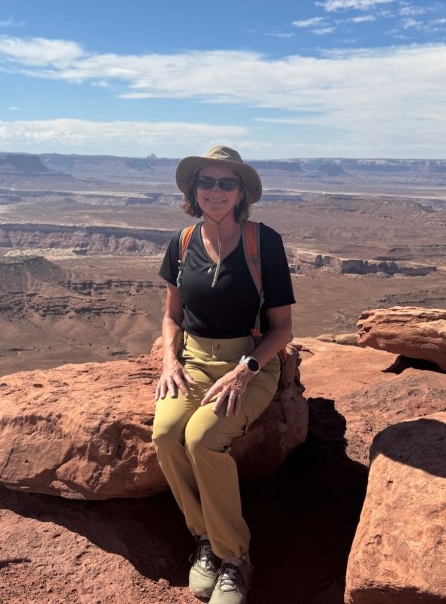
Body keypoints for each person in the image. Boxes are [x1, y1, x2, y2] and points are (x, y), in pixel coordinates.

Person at [152, 145, 295, 604]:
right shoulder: (182, 242)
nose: (215, 191)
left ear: (241, 193)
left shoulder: (263, 243)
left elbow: (283, 328)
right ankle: (206, 540)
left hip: (248, 362)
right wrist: (170, 361)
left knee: (202, 438)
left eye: (226, 183)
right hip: (193, 361)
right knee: (165, 435)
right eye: (206, 182)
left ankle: (235, 557)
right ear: (194, 190)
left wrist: (246, 371)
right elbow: (172, 316)